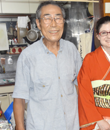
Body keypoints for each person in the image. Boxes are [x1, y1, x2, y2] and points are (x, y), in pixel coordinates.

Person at [12, 1, 82, 130]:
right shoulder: (28, 56)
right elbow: (19, 99)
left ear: (63, 21)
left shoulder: (71, 50)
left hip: (72, 125)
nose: (53, 24)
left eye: (58, 18)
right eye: (47, 18)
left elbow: (80, 86)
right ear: (38, 23)